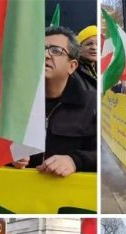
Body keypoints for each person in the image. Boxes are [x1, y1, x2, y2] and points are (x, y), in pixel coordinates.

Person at [17, 26, 96, 176]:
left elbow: (101, 154)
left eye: (55, 51)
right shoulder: (15, 102)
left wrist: (75, 161)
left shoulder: (91, 104)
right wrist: (8, 156)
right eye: (41, 49)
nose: (46, 55)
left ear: (72, 66)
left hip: (69, 197)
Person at [75, 25, 97, 90]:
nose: (94, 48)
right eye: (89, 44)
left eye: (97, 44)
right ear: (79, 48)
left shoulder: (99, 69)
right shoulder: (72, 72)